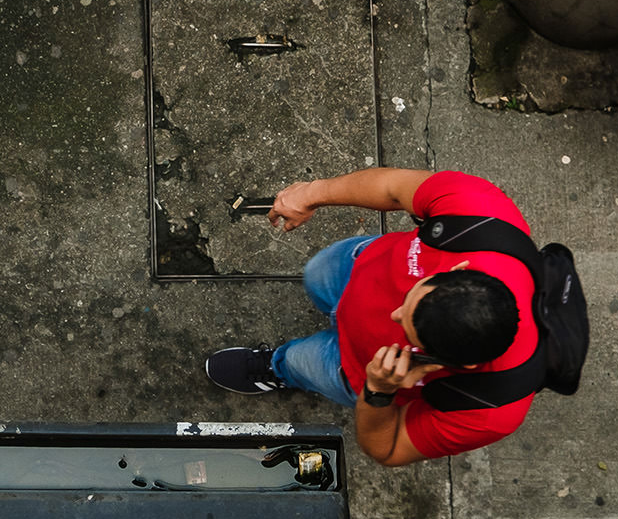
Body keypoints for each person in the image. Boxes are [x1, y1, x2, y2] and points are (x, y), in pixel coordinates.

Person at [205, 167, 539, 465]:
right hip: (353, 269)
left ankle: (278, 366)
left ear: (458, 366)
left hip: (350, 370)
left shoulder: (492, 411)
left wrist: (378, 391)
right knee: (316, 274)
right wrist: (310, 193)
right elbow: (392, 186)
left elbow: (387, 449)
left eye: (409, 333)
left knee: (299, 362)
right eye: (412, 295)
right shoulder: (480, 213)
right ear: (459, 268)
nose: (393, 312)